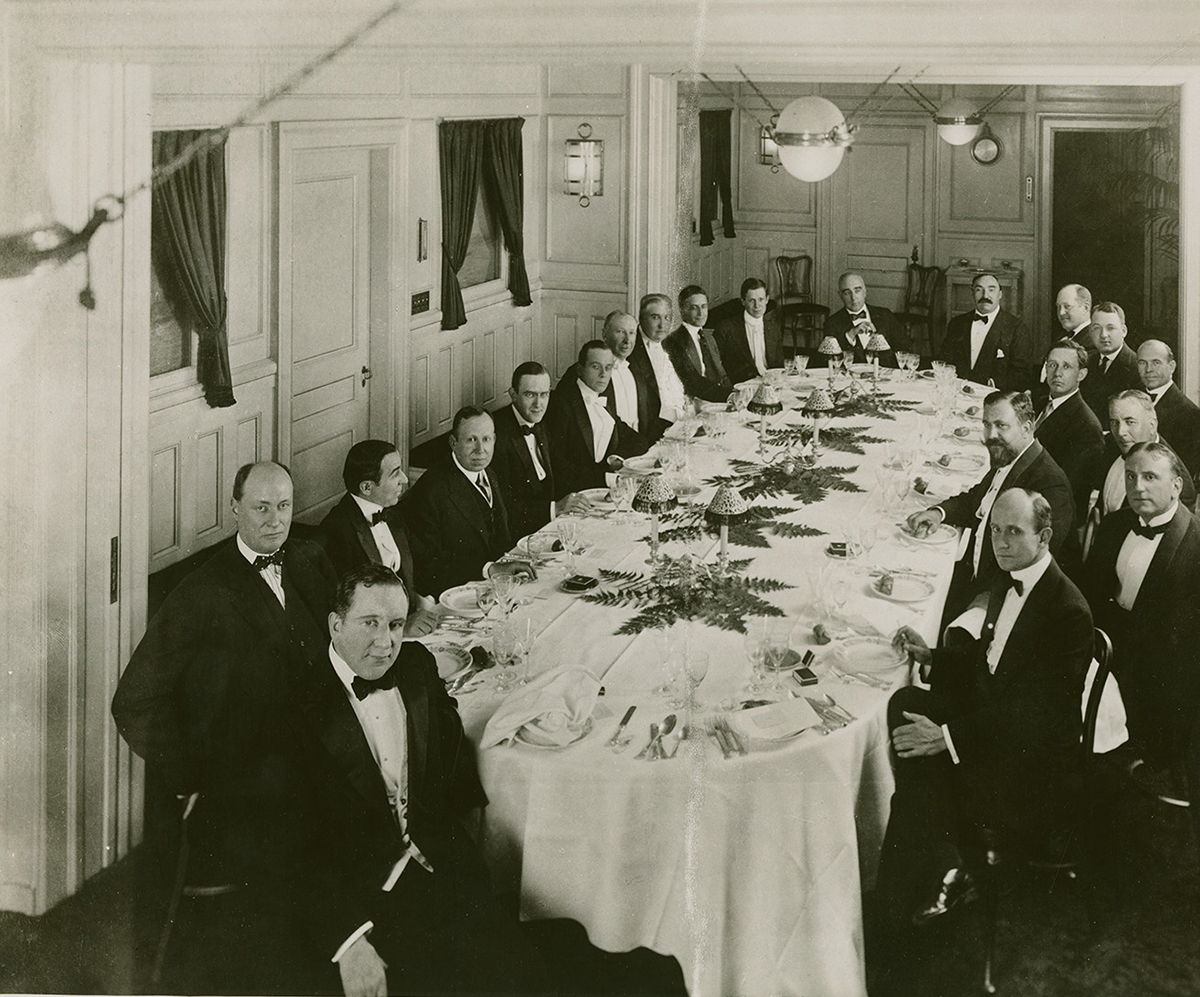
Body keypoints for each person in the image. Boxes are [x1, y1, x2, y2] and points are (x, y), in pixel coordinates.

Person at [112, 462, 338, 990]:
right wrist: (195, 774)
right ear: (234, 508)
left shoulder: (309, 558)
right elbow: (135, 700)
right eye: (260, 507)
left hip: (316, 758)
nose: (275, 520)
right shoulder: (201, 592)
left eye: (283, 506)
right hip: (246, 786)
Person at [278, 564, 548, 996]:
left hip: (441, 866)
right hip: (360, 897)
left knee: (520, 973)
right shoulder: (295, 709)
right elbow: (291, 850)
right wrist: (349, 943)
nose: (385, 643)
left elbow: (448, 741)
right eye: (369, 623)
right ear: (335, 625)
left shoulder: (418, 664)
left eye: (395, 625)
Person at [875, 489, 1092, 936]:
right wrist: (932, 656)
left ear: (1045, 536)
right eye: (995, 530)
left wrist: (948, 737)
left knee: (916, 788)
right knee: (904, 702)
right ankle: (945, 854)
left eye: (1014, 531)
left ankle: (899, 909)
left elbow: (1034, 713)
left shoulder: (1067, 611)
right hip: (995, 723)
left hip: (1028, 760)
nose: (1001, 542)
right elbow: (989, 664)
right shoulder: (1008, 578)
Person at [1081, 442, 1200, 843]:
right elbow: (1090, 593)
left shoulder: (1195, 546)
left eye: (1150, 477)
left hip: (1162, 673)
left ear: (1176, 485)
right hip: (1106, 646)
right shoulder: (1117, 524)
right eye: (1131, 477)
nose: (1138, 487)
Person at [906, 390, 1074, 619]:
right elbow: (979, 500)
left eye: (1001, 425)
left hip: (997, 599)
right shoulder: (1011, 456)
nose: (990, 434)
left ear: (1027, 428)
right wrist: (939, 512)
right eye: (986, 424)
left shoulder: (1050, 484)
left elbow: (1035, 563)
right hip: (973, 577)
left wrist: (989, 597)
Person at [319, 440, 437, 636]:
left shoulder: (391, 512)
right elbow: (346, 613)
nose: (405, 479)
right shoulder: (336, 532)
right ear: (366, 487)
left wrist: (423, 600)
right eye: (395, 473)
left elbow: (425, 559)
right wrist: (399, 627)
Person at [402, 407, 510, 598]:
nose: (480, 450)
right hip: (458, 595)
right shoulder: (432, 489)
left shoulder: (488, 472)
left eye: (486, 439)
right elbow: (429, 563)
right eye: (471, 440)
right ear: (453, 443)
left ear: (494, 439)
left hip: (493, 587)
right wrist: (489, 569)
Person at [491, 362, 593, 539]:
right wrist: (556, 508)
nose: (538, 404)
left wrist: (611, 479)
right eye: (530, 395)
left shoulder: (539, 424)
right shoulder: (498, 437)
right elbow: (505, 507)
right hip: (521, 538)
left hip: (547, 529)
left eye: (544, 395)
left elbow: (565, 470)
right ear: (513, 395)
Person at [543, 340, 649, 497]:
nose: (603, 374)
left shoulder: (603, 400)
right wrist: (606, 478)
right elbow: (560, 468)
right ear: (580, 369)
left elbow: (638, 440)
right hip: (575, 496)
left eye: (608, 368)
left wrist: (615, 459)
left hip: (602, 491)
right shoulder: (562, 404)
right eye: (595, 367)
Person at [1086, 390, 1195, 526]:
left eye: (1130, 422)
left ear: (1152, 425)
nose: (1120, 432)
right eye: (1114, 422)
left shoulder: (1176, 481)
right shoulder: (1113, 447)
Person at [1033, 339, 1104, 523]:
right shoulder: (1040, 402)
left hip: (1050, 515)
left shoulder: (1087, 427)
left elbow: (1063, 489)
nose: (1057, 373)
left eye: (1066, 367)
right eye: (1052, 365)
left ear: (1081, 374)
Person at [936, 272, 1033, 390]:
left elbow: (1022, 374)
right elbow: (944, 361)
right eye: (979, 290)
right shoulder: (957, 323)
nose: (985, 295)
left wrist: (989, 385)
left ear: (1000, 294)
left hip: (993, 397)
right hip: (956, 392)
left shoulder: (1017, 328)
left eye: (991, 290)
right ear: (972, 293)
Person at [1136, 339, 1200, 485]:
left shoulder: (1190, 414)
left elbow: (1183, 475)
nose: (1148, 369)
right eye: (1142, 363)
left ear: (1171, 367)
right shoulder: (1132, 396)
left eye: (1156, 362)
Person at [662, 284, 733, 402]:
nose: (701, 313)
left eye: (704, 306)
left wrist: (733, 393)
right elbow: (692, 383)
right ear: (682, 311)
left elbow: (721, 374)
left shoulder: (708, 337)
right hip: (695, 402)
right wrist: (728, 396)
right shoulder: (674, 341)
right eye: (694, 308)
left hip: (717, 399)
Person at [819, 271, 905, 367]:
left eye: (857, 290)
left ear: (865, 291)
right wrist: (850, 335)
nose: (853, 297)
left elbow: (904, 348)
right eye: (847, 293)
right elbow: (828, 360)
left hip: (885, 377)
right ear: (840, 295)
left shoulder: (885, 315)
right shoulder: (832, 322)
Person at [633, 292, 689, 434]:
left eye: (667, 317)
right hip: (652, 428)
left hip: (679, 419)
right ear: (641, 318)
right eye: (655, 317)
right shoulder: (631, 349)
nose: (662, 325)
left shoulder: (671, 344)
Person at [713, 277, 783, 384]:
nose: (757, 306)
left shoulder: (773, 327)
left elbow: (779, 365)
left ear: (767, 299)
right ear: (743, 301)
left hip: (771, 384)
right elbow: (717, 367)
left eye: (761, 299)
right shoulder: (726, 329)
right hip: (741, 385)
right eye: (751, 301)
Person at [601, 309, 659, 437]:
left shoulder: (637, 370)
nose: (627, 340)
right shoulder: (593, 371)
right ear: (605, 334)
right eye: (620, 332)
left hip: (640, 446)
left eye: (632, 333)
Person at [1081, 301, 1140, 423]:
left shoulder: (1137, 366)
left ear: (1123, 331)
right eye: (1097, 328)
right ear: (1090, 331)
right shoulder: (1085, 362)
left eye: (1110, 328)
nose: (1103, 335)